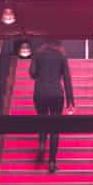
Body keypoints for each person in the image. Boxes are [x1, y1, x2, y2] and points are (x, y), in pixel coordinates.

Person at [27, 40, 75, 172]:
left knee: (42, 119)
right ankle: (52, 162)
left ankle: (42, 144)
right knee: (55, 128)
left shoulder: (38, 54)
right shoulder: (61, 56)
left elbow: (32, 73)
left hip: (40, 93)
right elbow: (67, 78)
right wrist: (70, 100)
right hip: (56, 94)